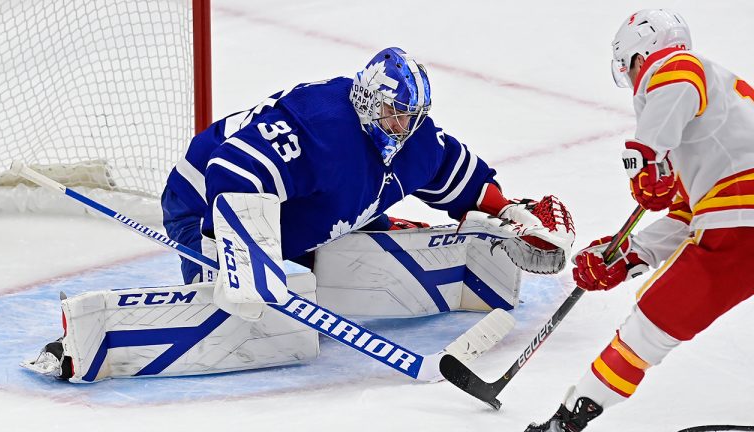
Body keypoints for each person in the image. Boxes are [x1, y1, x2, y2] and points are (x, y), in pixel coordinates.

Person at [161, 46, 575, 292]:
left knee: (372, 250)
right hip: (202, 204)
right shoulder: (318, 126)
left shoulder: (415, 139)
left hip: (306, 203)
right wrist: (236, 256)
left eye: (410, 116)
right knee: (232, 302)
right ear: (365, 98)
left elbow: (456, 172)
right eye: (391, 112)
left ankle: (363, 227)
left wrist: (510, 212)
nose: (401, 126)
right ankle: (220, 266)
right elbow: (232, 170)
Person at [526, 9, 754, 431]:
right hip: (738, 222)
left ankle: (568, 421)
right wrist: (629, 254)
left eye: (629, 68)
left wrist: (647, 155)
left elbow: (675, 78)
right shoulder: (717, 130)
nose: (633, 82)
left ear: (639, 55)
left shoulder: (677, 67)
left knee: (655, 318)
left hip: (743, 230)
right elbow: (692, 215)